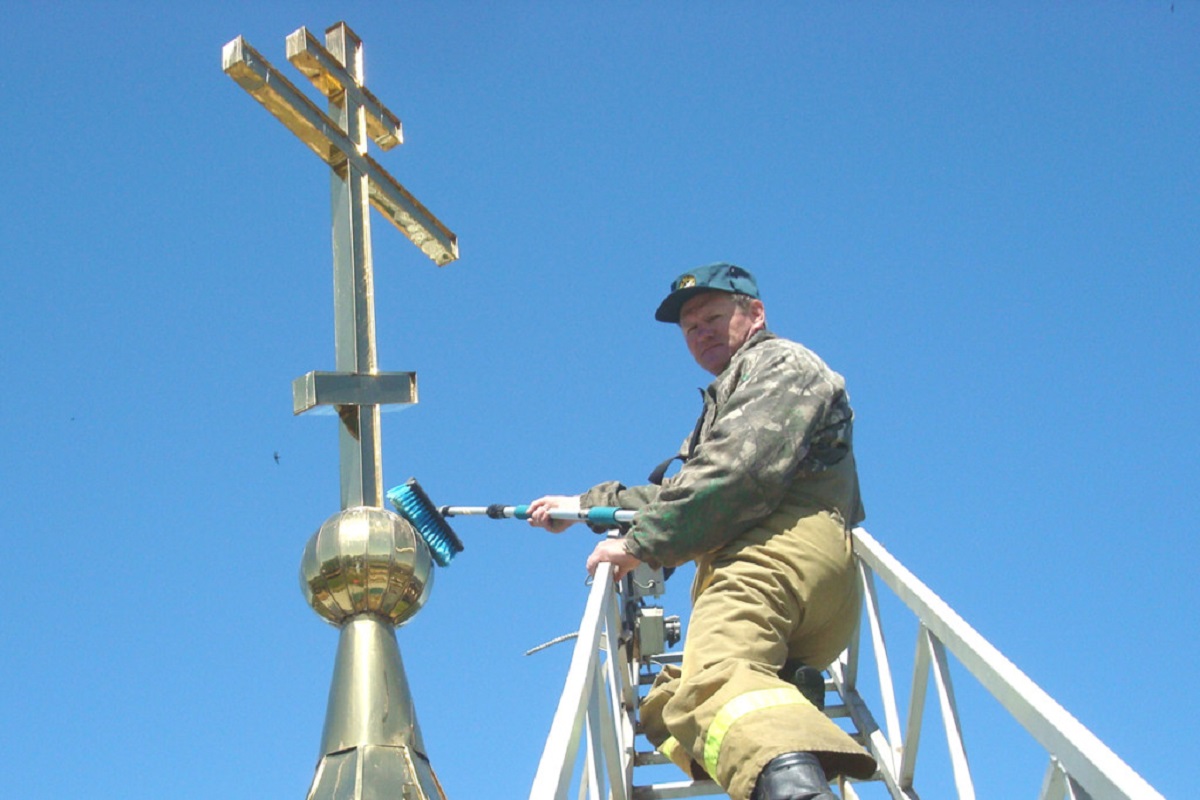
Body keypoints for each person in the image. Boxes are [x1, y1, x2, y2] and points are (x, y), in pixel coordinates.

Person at [527, 263, 877, 800]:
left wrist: (639, 546)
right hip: (789, 580)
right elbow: (686, 490)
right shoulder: (731, 394)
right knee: (667, 706)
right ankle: (789, 708)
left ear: (754, 314)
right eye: (691, 329)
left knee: (713, 680)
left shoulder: (781, 363)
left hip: (775, 559)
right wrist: (582, 507)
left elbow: (735, 476)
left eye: (713, 318)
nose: (701, 334)